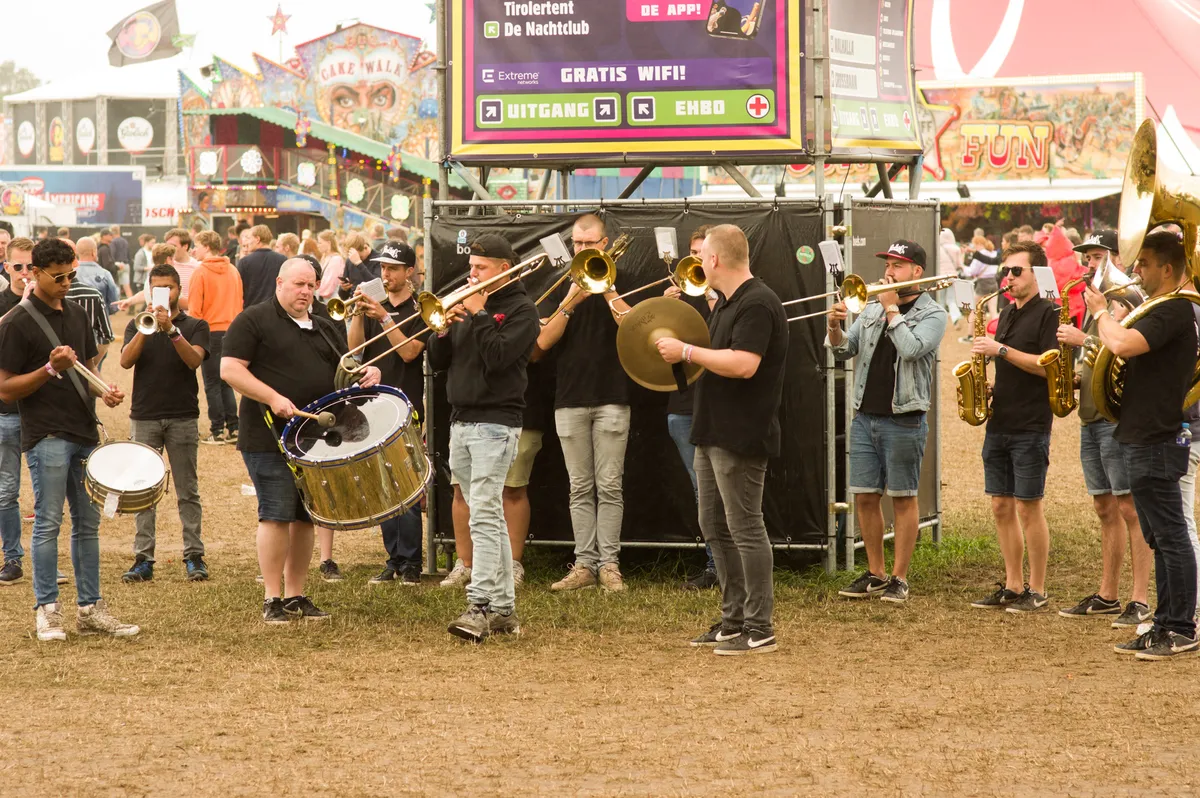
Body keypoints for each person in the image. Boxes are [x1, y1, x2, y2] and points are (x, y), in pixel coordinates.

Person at [221, 258, 381, 624]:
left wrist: (367, 373)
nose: (306, 292)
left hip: (315, 439)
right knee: (276, 515)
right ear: (279, 283)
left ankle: (295, 595)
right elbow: (229, 369)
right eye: (298, 284)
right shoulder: (253, 319)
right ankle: (272, 598)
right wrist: (272, 397)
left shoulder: (324, 325)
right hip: (268, 437)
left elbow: (344, 372)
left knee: (305, 518)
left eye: (311, 285)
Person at [656, 224, 788, 655]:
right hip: (712, 430)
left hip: (741, 435)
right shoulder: (727, 303)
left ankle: (759, 626)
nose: (697, 264)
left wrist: (686, 352)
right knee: (713, 524)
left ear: (714, 259)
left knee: (745, 527)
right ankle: (733, 620)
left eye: (701, 257)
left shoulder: (758, 302)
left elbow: (745, 364)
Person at [0, 237, 138, 641]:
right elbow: (5, 389)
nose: (65, 283)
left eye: (70, 276)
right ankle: (47, 610)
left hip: (83, 431)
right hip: (46, 434)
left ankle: (90, 608)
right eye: (57, 277)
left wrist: (105, 392)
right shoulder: (15, 323)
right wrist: (49, 368)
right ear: (36, 273)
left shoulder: (77, 313)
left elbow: (88, 370)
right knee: (47, 523)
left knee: (87, 524)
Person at [1089, 231, 1200, 659]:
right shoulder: (1163, 308)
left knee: (1171, 536)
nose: (1136, 270)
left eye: (1145, 263)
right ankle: (1165, 622)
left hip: (1157, 436)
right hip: (1143, 433)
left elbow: (1120, 343)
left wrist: (1101, 313)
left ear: (1168, 269)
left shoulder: (1173, 309)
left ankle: (1181, 628)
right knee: (1159, 537)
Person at [427, 233, 539, 642]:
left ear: (504, 269)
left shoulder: (523, 310)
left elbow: (499, 358)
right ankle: (504, 611)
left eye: (480, 268)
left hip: (496, 422)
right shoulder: (471, 306)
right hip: (462, 420)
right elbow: (438, 360)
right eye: (471, 267)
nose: (471, 274)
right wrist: (443, 329)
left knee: (486, 515)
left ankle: (480, 605)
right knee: (483, 513)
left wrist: (477, 314)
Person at [829, 240, 948, 603]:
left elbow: (912, 350)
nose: (889, 271)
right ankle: (876, 573)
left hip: (904, 418)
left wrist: (892, 310)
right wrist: (834, 327)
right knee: (865, 496)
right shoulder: (871, 307)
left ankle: (900, 577)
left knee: (903, 498)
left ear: (916, 271)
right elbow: (844, 349)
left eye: (898, 265)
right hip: (865, 416)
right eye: (887, 265)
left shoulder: (933, 313)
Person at [1055, 230, 1151, 627]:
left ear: (1116, 257)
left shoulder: (1128, 301)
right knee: (1104, 507)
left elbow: (1127, 353)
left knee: (1130, 508)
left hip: (1117, 418)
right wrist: (1075, 378)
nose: (1089, 265)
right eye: (1088, 258)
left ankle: (1140, 599)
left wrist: (1082, 339)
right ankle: (1108, 594)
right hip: (1092, 417)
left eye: (1097, 257)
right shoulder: (1097, 302)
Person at [536, 213, 634, 592]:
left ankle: (609, 565)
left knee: (609, 486)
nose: (581, 249)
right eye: (576, 242)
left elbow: (633, 328)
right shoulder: (561, 283)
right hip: (570, 398)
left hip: (612, 396)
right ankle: (584, 566)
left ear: (604, 245)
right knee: (579, 487)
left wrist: (606, 288)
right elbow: (543, 342)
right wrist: (570, 300)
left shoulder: (623, 280)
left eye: (588, 243)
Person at [968, 241, 1059, 613]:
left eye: (1016, 271)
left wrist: (1000, 350)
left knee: (1028, 507)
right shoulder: (1006, 312)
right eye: (1005, 270)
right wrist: (989, 387)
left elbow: (1048, 366)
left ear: (1037, 274)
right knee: (1001, 506)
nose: (1008, 277)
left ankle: (1037, 588)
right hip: (1000, 420)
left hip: (1031, 423)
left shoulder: (1049, 313)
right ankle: (1012, 584)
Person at [118, 263, 210, 583]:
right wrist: (146, 328)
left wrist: (171, 330)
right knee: (144, 489)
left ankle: (194, 555)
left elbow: (194, 360)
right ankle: (143, 558)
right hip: (145, 415)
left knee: (188, 491)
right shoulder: (137, 325)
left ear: (178, 290)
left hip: (183, 416)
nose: (163, 293)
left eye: (168, 287)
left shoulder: (196, 325)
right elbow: (125, 361)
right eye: (156, 287)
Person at [348, 242, 427, 586]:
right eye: (382, 267)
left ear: (409, 271)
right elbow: (355, 351)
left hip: (406, 405)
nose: (385, 274)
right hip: (373, 404)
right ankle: (393, 558)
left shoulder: (421, 307)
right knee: (382, 486)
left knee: (406, 485)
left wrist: (383, 317)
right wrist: (356, 313)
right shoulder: (373, 306)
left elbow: (410, 352)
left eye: (393, 268)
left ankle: (411, 561)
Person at [666, 226, 720, 591]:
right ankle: (715, 565)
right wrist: (666, 308)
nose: (697, 260)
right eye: (693, 253)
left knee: (723, 490)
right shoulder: (678, 294)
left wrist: (711, 294)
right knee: (701, 489)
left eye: (703, 253)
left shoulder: (729, 296)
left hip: (717, 406)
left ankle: (726, 565)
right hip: (683, 405)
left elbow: (726, 342)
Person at [0, 238, 35, 585]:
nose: (25, 273)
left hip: (41, 411)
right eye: (19, 266)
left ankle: (46, 560)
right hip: (6, 411)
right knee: (7, 490)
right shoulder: (4, 303)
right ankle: (12, 557)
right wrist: (22, 306)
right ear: (7, 267)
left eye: (31, 266)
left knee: (47, 493)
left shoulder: (50, 303)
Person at [188, 230, 243, 445]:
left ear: (206, 246)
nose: (194, 250)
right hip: (232, 330)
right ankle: (234, 427)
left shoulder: (200, 272)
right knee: (226, 381)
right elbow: (240, 300)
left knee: (212, 383)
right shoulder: (233, 270)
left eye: (197, 246)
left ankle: (217, 430)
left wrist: (193, 335)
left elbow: (194, 309)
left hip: (209, 331)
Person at [238, 225, 286, 307]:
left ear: (257, 239)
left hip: (251, 311)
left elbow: (239, 290)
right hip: (276, 310)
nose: (247, 242)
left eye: (249, 238)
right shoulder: (282, 260)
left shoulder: (245, 262)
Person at [73, 238, 120, 314]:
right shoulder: (105, 274)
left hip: (75, 319)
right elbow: (114, 304)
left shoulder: (70, 274)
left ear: (77, 253)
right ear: (93, 252)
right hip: (100, 319)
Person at [336, 234, 380, 299]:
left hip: (373, 302)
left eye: (359, 256)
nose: (354, 259)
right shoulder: (350, 260)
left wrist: (359, 263)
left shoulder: (379, 259)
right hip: (354, 303)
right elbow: (343, 297)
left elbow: (377, 288)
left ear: (365, 247)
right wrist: (343, 289)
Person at [316, 230, 345, 301]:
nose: (318, 245)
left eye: (320, 243)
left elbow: (329, 286)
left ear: (329, 243)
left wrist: (315, 288)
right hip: (324, 299)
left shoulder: (336, 259)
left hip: (331, 300)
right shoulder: (326, 257)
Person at [131, 234, 156, 313]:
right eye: (152, 242)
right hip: (141, 280)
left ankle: (142, 313)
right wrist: (147, 268)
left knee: (149, 299)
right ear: (147, 242)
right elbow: (136, 267)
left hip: (149, 279)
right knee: (147, 298)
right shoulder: (140, 253)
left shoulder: (152, 252)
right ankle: (142, 313)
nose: (154, 244)